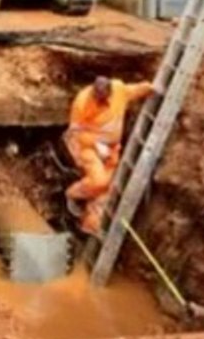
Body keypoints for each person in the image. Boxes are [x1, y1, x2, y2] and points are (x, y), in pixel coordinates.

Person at [63, 75, 157, 234]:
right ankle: (73, 193)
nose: (101, 102)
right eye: (97, 98)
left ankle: (89, 223)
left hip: (111, 149)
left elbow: (132, 91)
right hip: (88, 148)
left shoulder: (118, 90)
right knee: (99, 182)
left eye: (104, 98)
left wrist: (148, 88)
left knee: (108, 190)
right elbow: (75, 133)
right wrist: (89, 149)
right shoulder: (82, 102)